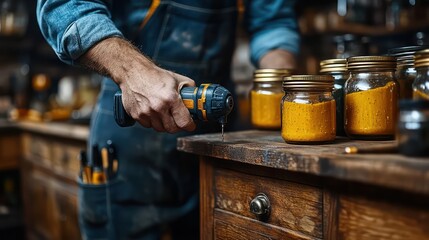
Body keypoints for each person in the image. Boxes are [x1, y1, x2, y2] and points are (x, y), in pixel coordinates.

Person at [36, 0, 300, 239]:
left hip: (213, 148)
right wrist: (134, 73)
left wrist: (280, 86)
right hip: (130, 147)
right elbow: (64, 6)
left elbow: (273, 23)